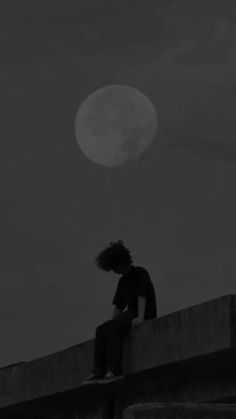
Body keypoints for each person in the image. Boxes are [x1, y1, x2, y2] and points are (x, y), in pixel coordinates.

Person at [83, 240, 157, 383]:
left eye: (114, 267)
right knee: (101, 329)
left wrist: (141, 318)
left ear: (121, 262)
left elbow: (142, 296)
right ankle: (99, 370)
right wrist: (110, 324)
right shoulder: (122, 282)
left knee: (115, 327)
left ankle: (115, 369)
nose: (114, 271)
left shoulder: (140, 273)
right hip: (130, 314)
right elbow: (118, 307)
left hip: (144, 312)